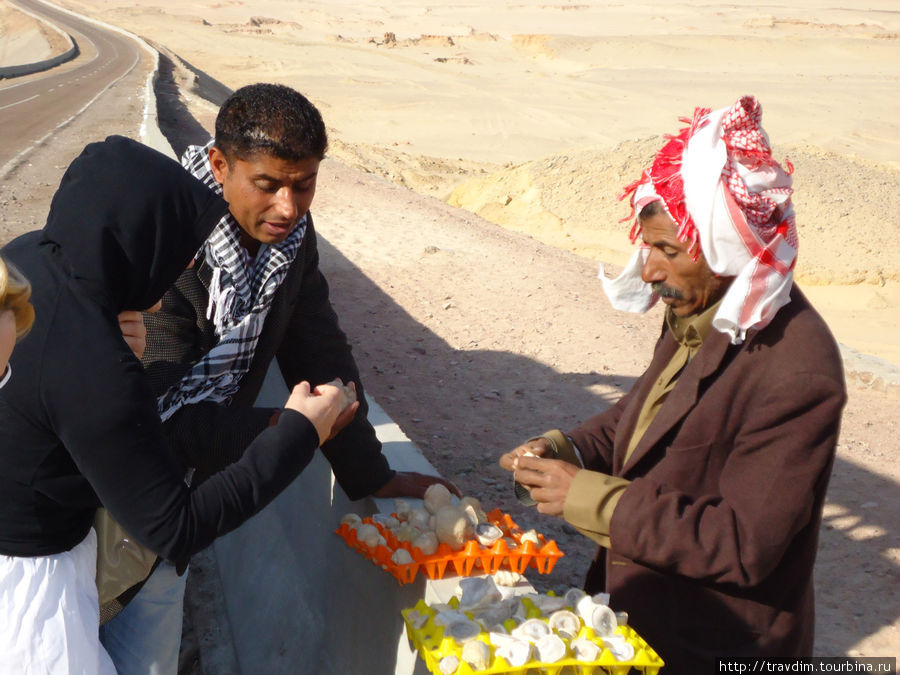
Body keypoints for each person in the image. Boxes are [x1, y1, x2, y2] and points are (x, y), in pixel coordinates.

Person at [100, 83, 457, 673]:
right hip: (110, 497)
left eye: (305, 184)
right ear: (220, 164)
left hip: (183, 504)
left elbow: (318, 348)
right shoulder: (166, 242)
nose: (289, 206)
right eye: (268, 185)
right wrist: (291, 429)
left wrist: (369, 471)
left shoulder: (288, 239)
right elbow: (161, 418)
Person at [500, 96, 846, 671]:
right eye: (648, 247)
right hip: (648, 622)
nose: (650, 269)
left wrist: (585, 495)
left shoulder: (797, 370)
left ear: (724, 251)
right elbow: (642, 419)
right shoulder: (699, 311)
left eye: (668, 250)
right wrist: (567, 450)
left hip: (720, 645)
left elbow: (741, 543)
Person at [0, 136, 349, 673]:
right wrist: (298, 432)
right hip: (34, 588)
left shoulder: (27, 262)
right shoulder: (96, 365)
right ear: (139, 239)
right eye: (175, 250)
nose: (180, 268)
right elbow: (174, 526)